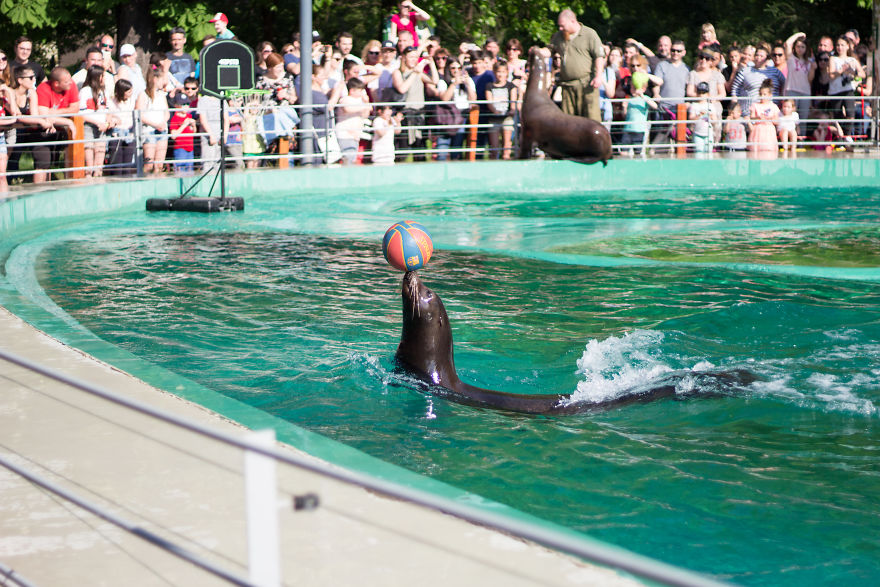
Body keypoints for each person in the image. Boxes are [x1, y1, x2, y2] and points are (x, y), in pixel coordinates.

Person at [550, 9, 606, 122]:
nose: (560, 29)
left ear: (572, 21)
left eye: (562, 26)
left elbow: (599, 56)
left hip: (587, 84)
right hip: (568, 86)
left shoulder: (589, 34)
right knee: (569, 122)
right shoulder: (559, 36)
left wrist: (598, 76)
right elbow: (549, 50)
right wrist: (538, 52)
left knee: (591, 120)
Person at [391, 46, 438, 161]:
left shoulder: (419, 73)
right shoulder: (398, 73)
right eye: (411, 57)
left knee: (420, 150)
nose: (413, 60)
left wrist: (431, 64)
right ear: (404, 58)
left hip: (419, 115)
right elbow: (402, 88)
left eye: (416, 57)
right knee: (402, 152)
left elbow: (435, 81)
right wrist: (414, 73)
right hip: (405, 115)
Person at [9, 65, 53, 180]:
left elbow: (34, 115)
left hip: (22, 130)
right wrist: (40, 121)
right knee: (11, 161)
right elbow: (18, 116)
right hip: (9, 131)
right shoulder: (11, 93)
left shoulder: (31, 93)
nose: (34, 80)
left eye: (34, 77)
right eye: (31, 77)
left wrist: (45, 122)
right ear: (20, 80)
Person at [35, 67, 79, 182]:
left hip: (59, 129)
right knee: (43, 163)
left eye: (70, 80)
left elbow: (75, 108)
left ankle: (67, 187)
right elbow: (43, 115)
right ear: (56, 83)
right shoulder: (43, 88)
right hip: (41, 130)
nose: (70, 82)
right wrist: (68, 122)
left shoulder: (71, 85)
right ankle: (37, 193)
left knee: (68, 159)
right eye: (66, 81)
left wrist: (55, 112)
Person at [431, 57, 475, 160]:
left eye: (459, 68)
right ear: (448, 69)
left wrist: (467, 84)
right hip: (446, 118)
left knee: (457, 151)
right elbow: (445, 99)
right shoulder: (443, 82)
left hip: (461, 118)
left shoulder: (467, 81)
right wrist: (454, 84)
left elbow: (473, 100)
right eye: (453, 68)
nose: (456, 70)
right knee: (442, 152)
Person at [78, 65, 116, 177]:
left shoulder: (104, 92)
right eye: (102, 76)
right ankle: (89, 177)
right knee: (89, 153)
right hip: (89, 126)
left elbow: (108, 109)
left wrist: (107, 122)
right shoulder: (85, 91)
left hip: (102, 126)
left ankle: (98, 175)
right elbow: (81, 113)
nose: (104, 79)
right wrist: (97, 123)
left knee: (100, 154)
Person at [652, 39, 689, 145]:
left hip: (680, 109)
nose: (675, 53)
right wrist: (656, 94)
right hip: (664, 107)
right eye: (673, 50)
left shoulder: (687, 69)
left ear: (684, 53)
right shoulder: (662, 65)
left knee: (679, 138)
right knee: (661, 136)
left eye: (678, 51)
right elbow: (656, 83)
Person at [828, 35, 865, 136]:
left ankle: (847, 135)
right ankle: (840, 135)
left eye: (842, 45)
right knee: (837, 114)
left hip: (848, 88)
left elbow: (862, 74)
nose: (840, 47)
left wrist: (852, 73)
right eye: (838, 45)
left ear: (848, 46)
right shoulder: (833, 59)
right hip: (835, 90)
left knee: (850, 112)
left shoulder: (852, 60)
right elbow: (831, 75)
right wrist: (841, 70)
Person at [139, 55, 170, 174]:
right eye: (162, 80)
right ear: (155, 79)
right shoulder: (144, 95)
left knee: (159, 164)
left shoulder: (161, 95)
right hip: (149, 130)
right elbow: (140, 114)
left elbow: (166, 112)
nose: (164, 82)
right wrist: (155, 124)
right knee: (149, 164)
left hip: (162, 129)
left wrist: (163, 122)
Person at [485, 60, 518, 160]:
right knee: (494, 149)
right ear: (494, 72)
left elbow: (513, 101)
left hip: (507, 118)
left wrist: (512, 110)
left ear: (507, 72)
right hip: (494, 118)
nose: (500, 74)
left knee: (506, 148)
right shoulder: (489, 86)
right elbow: (489, 101)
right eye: (498, 71)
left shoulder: (511, 86)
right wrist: (495, 111)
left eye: (503, 72)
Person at [620, 70, 657, 157]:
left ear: (643, 89)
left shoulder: (645, 99)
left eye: (635, 87)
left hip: (639, 130)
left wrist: (642, 96)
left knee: (638, 151)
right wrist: (624, 107)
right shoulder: (629, 99)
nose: (633, 89)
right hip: (628, 129)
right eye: (631, 87)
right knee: (623, 151)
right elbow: (624, 116)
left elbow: (655, 106)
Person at [783, 32, 815, 133]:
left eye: (803, 47)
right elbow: (787, 44)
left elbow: (810, 79)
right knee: (790, 117)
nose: (800, 49)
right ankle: (790, 141)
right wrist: (798, 35)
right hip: (792, 90)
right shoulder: (791, 58)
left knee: (803, 118)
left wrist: (813, 69)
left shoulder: (809, 61)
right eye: (798, 46)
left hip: (805, 92)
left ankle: (801, 142)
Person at [335, 78, 371, 164]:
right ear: (352, 90)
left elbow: (365, 115)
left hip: (355, 135)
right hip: (345, 134)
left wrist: (366, 103)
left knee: (352, 158)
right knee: (347, 159)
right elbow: (348, 109)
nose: (362, 92)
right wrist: (364, 106)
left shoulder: (360, 101)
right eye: (360, 90)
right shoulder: (345, 99)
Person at [107, 79, 137, 175]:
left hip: (129, 132)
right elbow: (108, 115)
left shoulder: (132, 101)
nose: (131, 93)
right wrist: (114, 118)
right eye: (128, 91)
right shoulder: (111, 101)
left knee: (127, 164)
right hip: (116, 133)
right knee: (117, 164)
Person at [748, 79, 779, 156]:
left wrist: (770, 118)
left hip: (769, 131)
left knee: (768, 152)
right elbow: (751, 118)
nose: (762, 96)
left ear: (770, 95)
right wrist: (758, 117)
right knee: (756, 152)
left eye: (764, 94)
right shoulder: (755, 105)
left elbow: (777, 121)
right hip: (758, 130)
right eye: (761, 94)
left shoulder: (773, 106)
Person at [168, 92, 196, 173]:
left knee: (190, 170)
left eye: (187, 103)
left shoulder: (189, 116)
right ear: (176, 105)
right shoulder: (175, 118)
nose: (186, 106)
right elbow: (173, 136)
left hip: (190, 149)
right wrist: (184, 125)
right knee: (180, 171)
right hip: (180, 149)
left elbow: (194, 132)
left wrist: (194, 125)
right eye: (183, 104)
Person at [688, 81, 718, 155]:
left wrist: (710, 115)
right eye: (699, 93)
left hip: (708, 134)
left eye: (703, 93)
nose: (701, 95)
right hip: (697, 133)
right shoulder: (694, 105)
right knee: (699, 153)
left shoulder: (710, 106)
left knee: (709, 154)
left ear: (707, 94)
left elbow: (715, 120)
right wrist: (699, 115)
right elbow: (690, 119)